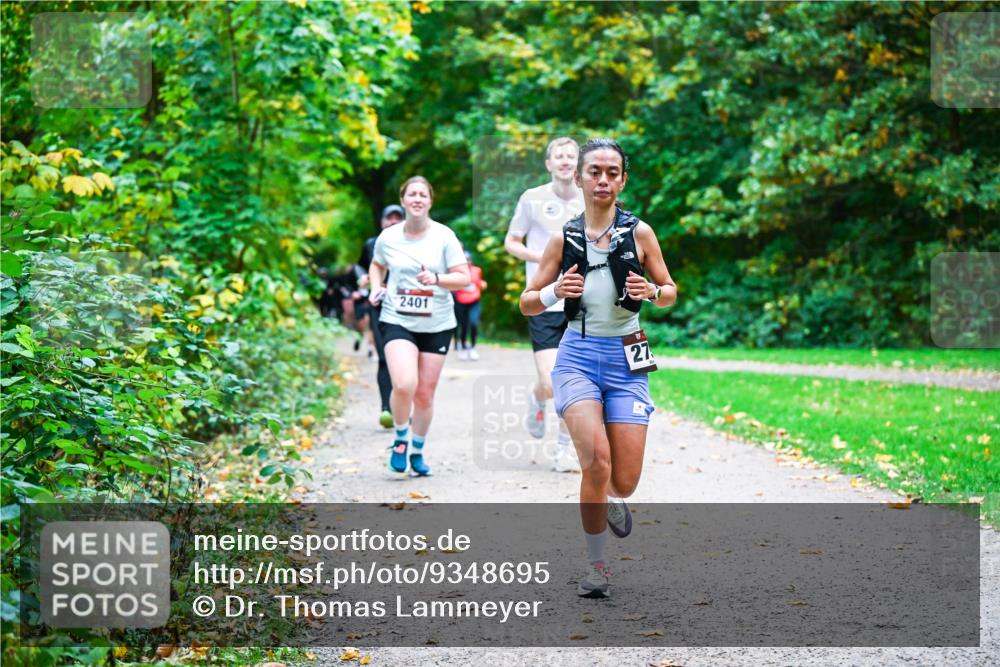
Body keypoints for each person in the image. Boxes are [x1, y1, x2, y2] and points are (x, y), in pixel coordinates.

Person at [519, 138, 677, 599]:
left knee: (623, 481)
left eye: (612, 172)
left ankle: (608, 497)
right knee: (595, 460)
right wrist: (554, 293)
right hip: (578, 358)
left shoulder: (641, 233)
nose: (603, 179)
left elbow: (670, 290)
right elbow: (528, 303)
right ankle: (597, 565)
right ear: (580, 177)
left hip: (628, 356)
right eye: (595, 172)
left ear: (622, 179)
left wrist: (651, 291)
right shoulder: (561, 239)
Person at [368, 176, 470, 476]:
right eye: (411, 194)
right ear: (403, 200)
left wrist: (436, 279)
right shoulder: (388, 237)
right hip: (397, 317)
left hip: (437, 322)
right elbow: (377, 264)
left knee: (425, 393)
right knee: (404, 383)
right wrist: (376, 287)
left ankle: (418, 450)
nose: (417, 199)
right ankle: (401, 437)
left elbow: (463, 277)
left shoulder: (444, 236)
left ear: (430, 201)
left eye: (422, 194)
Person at [505, 136, 584, 473]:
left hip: (581, 302)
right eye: (559, 156)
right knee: (550, 382)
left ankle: (564, 449)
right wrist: (543, 258)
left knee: (571, 381)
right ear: (549, 164)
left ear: (578, 164)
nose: (565, 161)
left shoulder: (590, 199)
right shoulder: (532, 199)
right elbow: (511, 242)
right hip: (543, 300)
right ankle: (537, 398)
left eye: (571, 156)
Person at [359, 204, 405, 428]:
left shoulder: (415, 245)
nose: (393, 221)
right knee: (385, 358)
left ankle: (403, 407)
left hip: (407, 308)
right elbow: (359, 268)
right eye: (390, 218)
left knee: (406, 361)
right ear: (382, 222)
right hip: (379, 307)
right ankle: (387, 407)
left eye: (398, 218)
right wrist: (363, 278)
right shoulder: (371, 244)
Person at [453, 250, 488, 361]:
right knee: (463, 325)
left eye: (468, 260)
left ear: (471, 261)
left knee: (473, 323)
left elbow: (479, 282)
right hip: (461, 301)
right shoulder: (457, 272)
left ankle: (472, 347)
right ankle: (463, 347)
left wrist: (482, 284)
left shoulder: (477, 270)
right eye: (464, 260)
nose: (467, 262)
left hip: (474, 301)